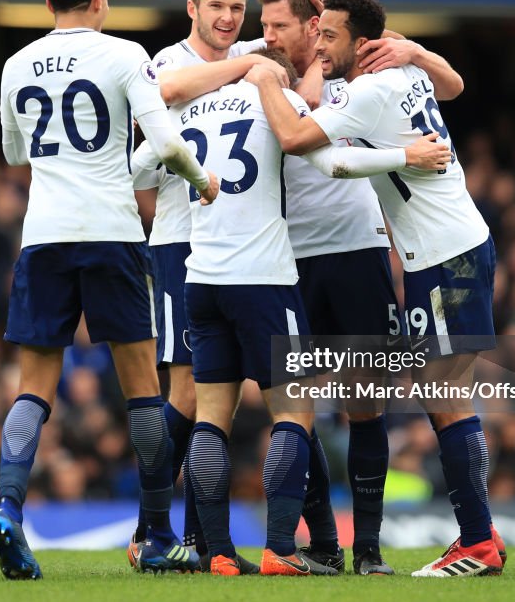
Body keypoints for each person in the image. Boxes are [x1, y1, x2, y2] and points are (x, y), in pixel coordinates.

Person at [140, 46, 448, 575]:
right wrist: (407, 157)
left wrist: (199, 180)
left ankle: (216, 553)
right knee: (293, 415)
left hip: (201, 279)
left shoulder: (190, 107)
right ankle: (281, 548)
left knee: (211, 420)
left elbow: (143, 164)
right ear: (276, 73)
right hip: (264, 279)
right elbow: (336, 161)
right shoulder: (275, 100)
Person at [246, 0, 507, 577]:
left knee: (445, 397)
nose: (320, 43)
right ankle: (481, 531)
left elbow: (305, 146)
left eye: (330, 36)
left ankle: (476, 541)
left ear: (362, 44)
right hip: (441, 249)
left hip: (445, 253)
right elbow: (451, 87)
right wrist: (413, 58)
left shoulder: (368, 89)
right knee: (444, 393)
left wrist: (266, 84)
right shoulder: (401, 70)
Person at [0, 0, 218, 580]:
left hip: (43, 235)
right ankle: (155, 538)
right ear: (100, 0)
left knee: (33, 387)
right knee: (143, 385)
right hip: (112, 233)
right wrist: (201, 180)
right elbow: (166, 141)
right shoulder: (124, 56)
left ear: (46, 4)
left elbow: (15, 153)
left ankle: (8, 508)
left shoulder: (15, 64)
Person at [129, 0, 275, 575]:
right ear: (192, 7)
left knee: (220, 397)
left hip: (235, 252)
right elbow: (167, 98)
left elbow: (276, 41)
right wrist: (247, 60)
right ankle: (149, 528)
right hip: (180, 244)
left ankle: (192, 536)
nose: (226, 18)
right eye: (216, 5)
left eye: (236, 8)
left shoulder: (244, 54)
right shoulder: (165, 62)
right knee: (185, 393)